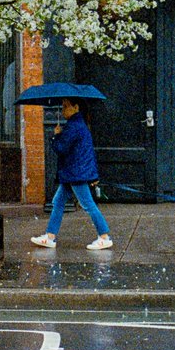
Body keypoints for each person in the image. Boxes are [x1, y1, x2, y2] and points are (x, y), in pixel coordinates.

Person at [31, 98, 113, 251]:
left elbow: (61, 148)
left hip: (75, 173)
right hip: (74, 172)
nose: (63, 110)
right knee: (58, 202)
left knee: (87, 205)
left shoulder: (73, 126)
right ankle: (50, 236)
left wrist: (56, 136)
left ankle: (104, 236)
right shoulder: (79, 125)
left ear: (76, 107)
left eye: (66, 106)